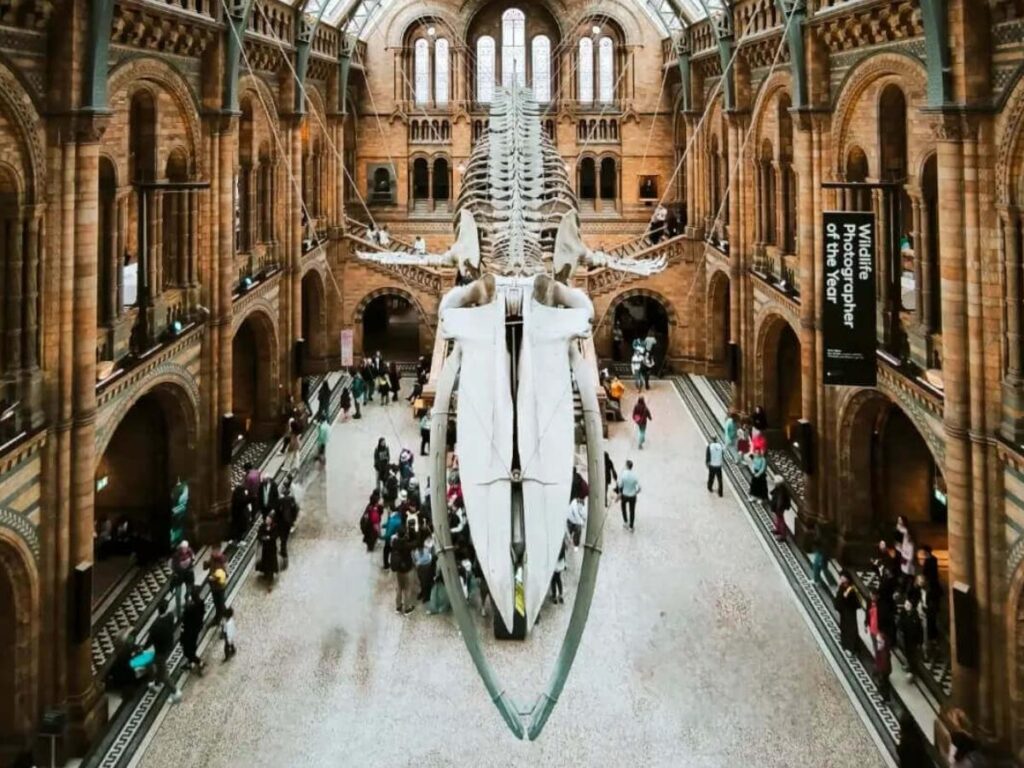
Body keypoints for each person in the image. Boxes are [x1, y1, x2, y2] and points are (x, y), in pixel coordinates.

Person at [147, 599, 181, 702]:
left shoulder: (155, 626)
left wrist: (143, 648)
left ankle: (175, 692)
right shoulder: (170, 616)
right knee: (158, 665)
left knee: (163, 672)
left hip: (159, 651)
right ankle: (157, 683)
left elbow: (150, 640)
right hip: (168, 646)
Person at [390, 526, 416, 615]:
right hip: (407, 569)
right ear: (405, 535)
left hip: (398, 570)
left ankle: (398, 607)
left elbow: (397, 542)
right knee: (408, 588)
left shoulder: (394, 542)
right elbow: (416, 543)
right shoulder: (407, 545)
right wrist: (413, 532)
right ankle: (407, 608)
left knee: (399, 588)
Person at [180, 586, 206, 675]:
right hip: (197, 628)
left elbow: (185, 622)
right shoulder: (201, 603)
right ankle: (190, 663)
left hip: (189, 631)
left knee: (187, 651)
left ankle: (199, 662)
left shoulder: (189, 610)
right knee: (192, 646)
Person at [834, 572, 861, 654]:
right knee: (844, 628)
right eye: (841, 577)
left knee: (851, 630)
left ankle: (852, 648)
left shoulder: (851, 589)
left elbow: (856, 603)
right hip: (844, 611)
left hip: (850, 612)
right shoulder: (842, 587)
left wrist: (846, 598)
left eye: (843, 577)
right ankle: (845, 644)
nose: (841, 579)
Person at [897, 597, 924, 682]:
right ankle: (909, 665)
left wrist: (920, 642)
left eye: (908, 605)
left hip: (914, 640)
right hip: (906, 638)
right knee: (908, 653)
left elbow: (920, 630)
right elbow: (900, 623)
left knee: (913, 656)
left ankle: (912, 671)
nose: (906, 606)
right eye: (905, 604)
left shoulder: (915, 617)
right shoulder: (904, 613)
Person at [170, 540, 196, 618]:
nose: (184, 550)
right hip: (179, 576)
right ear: (180, 548)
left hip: (188, 574)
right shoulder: (176, 555)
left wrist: (190, 565)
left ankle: (187, 598)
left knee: (189, 590)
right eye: (183, 548)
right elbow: (173, 566)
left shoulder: (190, 551)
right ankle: (179, 614)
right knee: (178, 595)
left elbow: (193, 559)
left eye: (186, 548)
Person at [277, 483, 299, 568]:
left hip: (282, 523)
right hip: (288, 522)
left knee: (283, 540)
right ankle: (284, 553)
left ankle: (284, 554)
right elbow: (295, 510)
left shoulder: (281, 501)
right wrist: (293, 519)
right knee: (284, 538)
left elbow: (278, 512)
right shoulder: (291, 499)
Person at [255, 513, 279, 589]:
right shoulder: (263, 526)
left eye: (269, 520)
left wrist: (269, 537)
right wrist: (263, 537)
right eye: (266, 519)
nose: (267, 521)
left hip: (271, 549)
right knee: (265, 561)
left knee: (271, 562)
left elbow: (275, 536)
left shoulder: (274, 527)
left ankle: (270, 577)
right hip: (265, 548)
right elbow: (259, 535)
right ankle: (265, 573)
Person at [617, 460, 641, 531]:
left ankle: (625, 521)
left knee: (623, 508)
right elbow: (638, 487)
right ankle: (631, 526)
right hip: (633, 496)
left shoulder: (623, 474)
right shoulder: (635, 475)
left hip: (624, 495)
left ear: (627, 466)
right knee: (632, 511)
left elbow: (620, 485)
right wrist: (636, 492)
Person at [413, 538, 435, 603]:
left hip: (426, 567)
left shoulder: (426, 550)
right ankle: (423, 593)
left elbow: (428, 558)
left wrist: (418, 563)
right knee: (422, 582)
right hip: (421, 568)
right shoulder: (416, 552)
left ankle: (426, 596)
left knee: (426, 582)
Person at [769, 476, 791, 540]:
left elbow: (780, 501)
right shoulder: (779, 487)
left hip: (779, 508)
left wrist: (778, 509)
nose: (775, 483)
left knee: (781, 521)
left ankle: (783, 535)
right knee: (778, 520)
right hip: (777, 507)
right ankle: (778, 529)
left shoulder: (782, 491)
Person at [874, 631, 892, 701]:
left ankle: (886, 698)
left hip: (884, 671)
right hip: (883, 670)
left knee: (885, 683)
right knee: (883, 682)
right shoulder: (881, 650)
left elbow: (884, 664)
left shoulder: (884, 653)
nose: (878, 644)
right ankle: (882, 693)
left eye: (879, 642)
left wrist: (879, 669)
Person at [550, 540, 567, 604]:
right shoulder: (562, 541)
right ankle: (560, 595)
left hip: (555, 563)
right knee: (558, 579)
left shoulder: (555, 539)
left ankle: (554, 596)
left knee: (553, 580)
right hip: (560, 563)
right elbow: (564, 553)